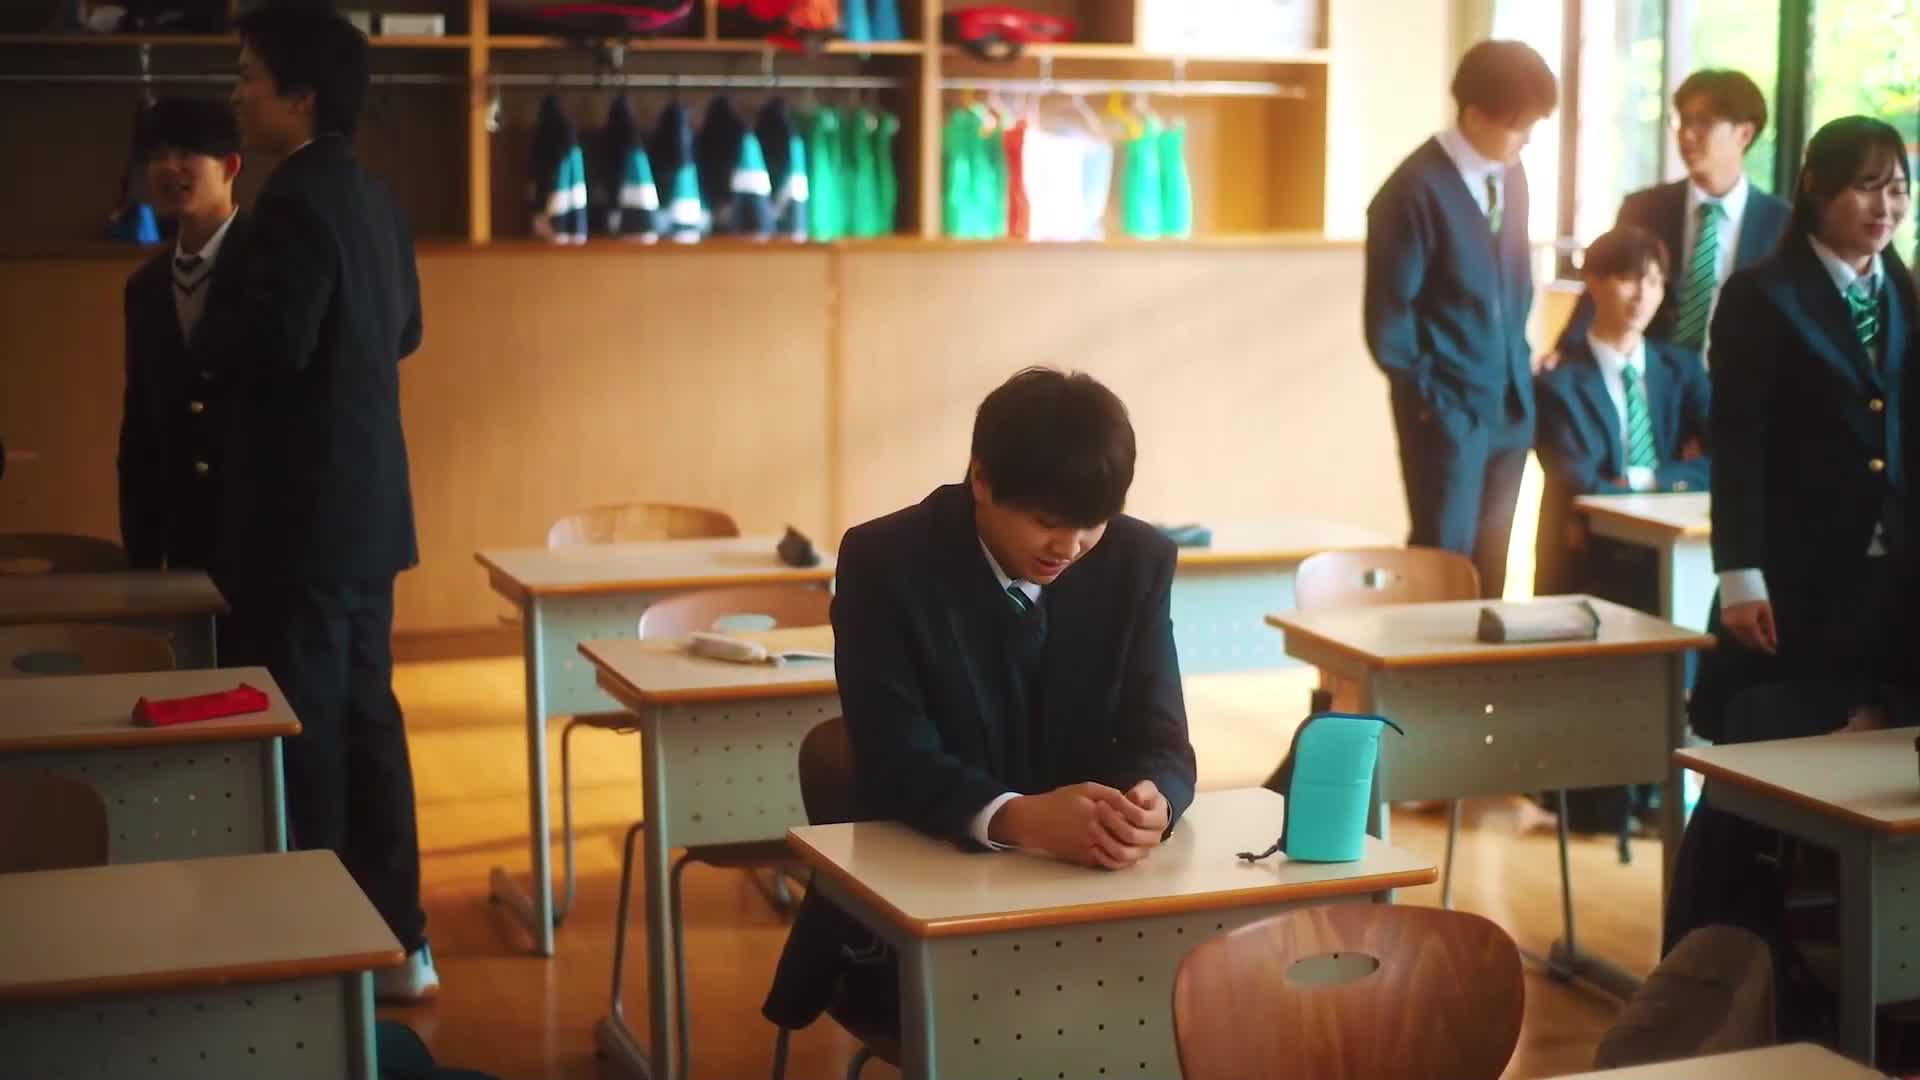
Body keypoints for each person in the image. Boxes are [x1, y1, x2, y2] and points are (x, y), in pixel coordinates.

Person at [762, 366, 1197, 1035]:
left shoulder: (1137, 560)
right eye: (1047, 523)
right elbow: (894, 760)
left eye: (1092, 524)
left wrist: (1152, 804)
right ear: (981, 480)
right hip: (920, 906)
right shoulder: (887, 561)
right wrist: (1020, 819)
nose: (1069, 548)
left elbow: (1163, 740)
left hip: (1096, 896)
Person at [192, 6, 434, 1001]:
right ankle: (401, 940)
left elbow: (271, 344)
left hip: (298, 520)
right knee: (367, 718)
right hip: (368, 510)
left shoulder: (287, 204)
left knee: (308, 733)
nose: (237, 94)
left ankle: (326, 957)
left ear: (299, 96)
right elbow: (406, 331)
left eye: (249, 76)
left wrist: (212, 306)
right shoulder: (374, 196)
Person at [1690, 115, 1917, 745]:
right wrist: (1739, 573)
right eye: (1867, 187)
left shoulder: (1903, 292)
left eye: (1898, 189)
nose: (1886, 207)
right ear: (1817, 186)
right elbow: (1737, 441)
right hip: (1795, 573)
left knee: (1876, 753)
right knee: (1775, 750)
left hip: (1894, 575)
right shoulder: (1761, 295)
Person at [1365, 40, 1559, 597]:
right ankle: (1425, 659)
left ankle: (1482, 662)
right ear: (1474, 116)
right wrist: (1433, 401)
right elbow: (1388, 322)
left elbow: (1514, 284)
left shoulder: (1512, 175)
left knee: (1492, 564)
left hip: (1509, 404)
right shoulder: (1410, 192)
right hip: (1447, 411)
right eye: (1519, 127)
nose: (1527, 140)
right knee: (1443, 561)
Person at [1534, 224, 1712, 606]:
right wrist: (1680, 475)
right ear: (1593, 283)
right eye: (1628, 279)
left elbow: (1724, 460)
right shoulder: (1558, 383)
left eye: (1654, 282)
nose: (1642, 296)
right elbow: (1579, 480)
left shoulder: (1682, 371)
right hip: (1592, 558)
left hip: (1677, 549)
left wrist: (1643, 479)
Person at [1555, 69, 1791, 355]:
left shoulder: (1782, 223)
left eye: (1703, 123)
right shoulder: (1644, 209)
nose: (1686, 135)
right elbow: (1602, 288)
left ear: (1744, 134)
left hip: (1741, 377)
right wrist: (1566, 354)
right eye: (1682, 121)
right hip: (1656, 375)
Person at [117, 96, 249, 571]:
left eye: (187, 152)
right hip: (182, 533)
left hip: (261, 530)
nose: (169, 167)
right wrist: (142, 552)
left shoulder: (269, 262)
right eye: (157, 155)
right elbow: (140, 425)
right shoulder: (145, 286)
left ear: (230, 166)